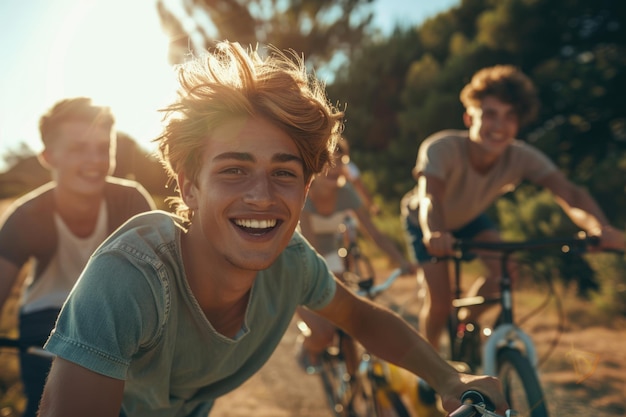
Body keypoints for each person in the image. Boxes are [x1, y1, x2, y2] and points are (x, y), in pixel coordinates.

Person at [38, 42, 506, 417]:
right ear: (190, 185)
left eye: (285, 173)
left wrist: (449, 378)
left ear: (305, 189)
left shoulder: (292, 261)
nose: (262, 196)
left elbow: (361, 317)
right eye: (234, 170)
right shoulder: (129, 279)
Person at [400, 64, 626, 350]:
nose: (499, 126)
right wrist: (434, 233)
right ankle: (430, 364)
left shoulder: (520, 156)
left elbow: (569, 192)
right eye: (490, 114)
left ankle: (465, 321)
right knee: (441, 302)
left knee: (507, 273)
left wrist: (600, 228)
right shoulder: (441, 147)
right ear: (469, 118)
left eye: (510, 116)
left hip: (469, 217)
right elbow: (431, 197)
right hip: (425, 220)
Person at [0, 97, 156, 417]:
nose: (94, 160)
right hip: (44, 329)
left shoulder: (131, 201)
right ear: (48, 156)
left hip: (117, 327)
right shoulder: (26, 216)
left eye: (103, 148)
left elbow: (158, 283)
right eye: (78, 148)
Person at [296, 140, 415, 372]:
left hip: (330, 254)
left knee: (350, 320)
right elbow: (310, 249)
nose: (336, 167)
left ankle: (353, 381)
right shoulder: (304, 194)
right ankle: (307, 347)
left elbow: (375, 234)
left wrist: (402, 261)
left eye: (342, 161)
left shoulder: (346, 192)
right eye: (329, 162)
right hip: (301, 262)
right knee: (324, 334)